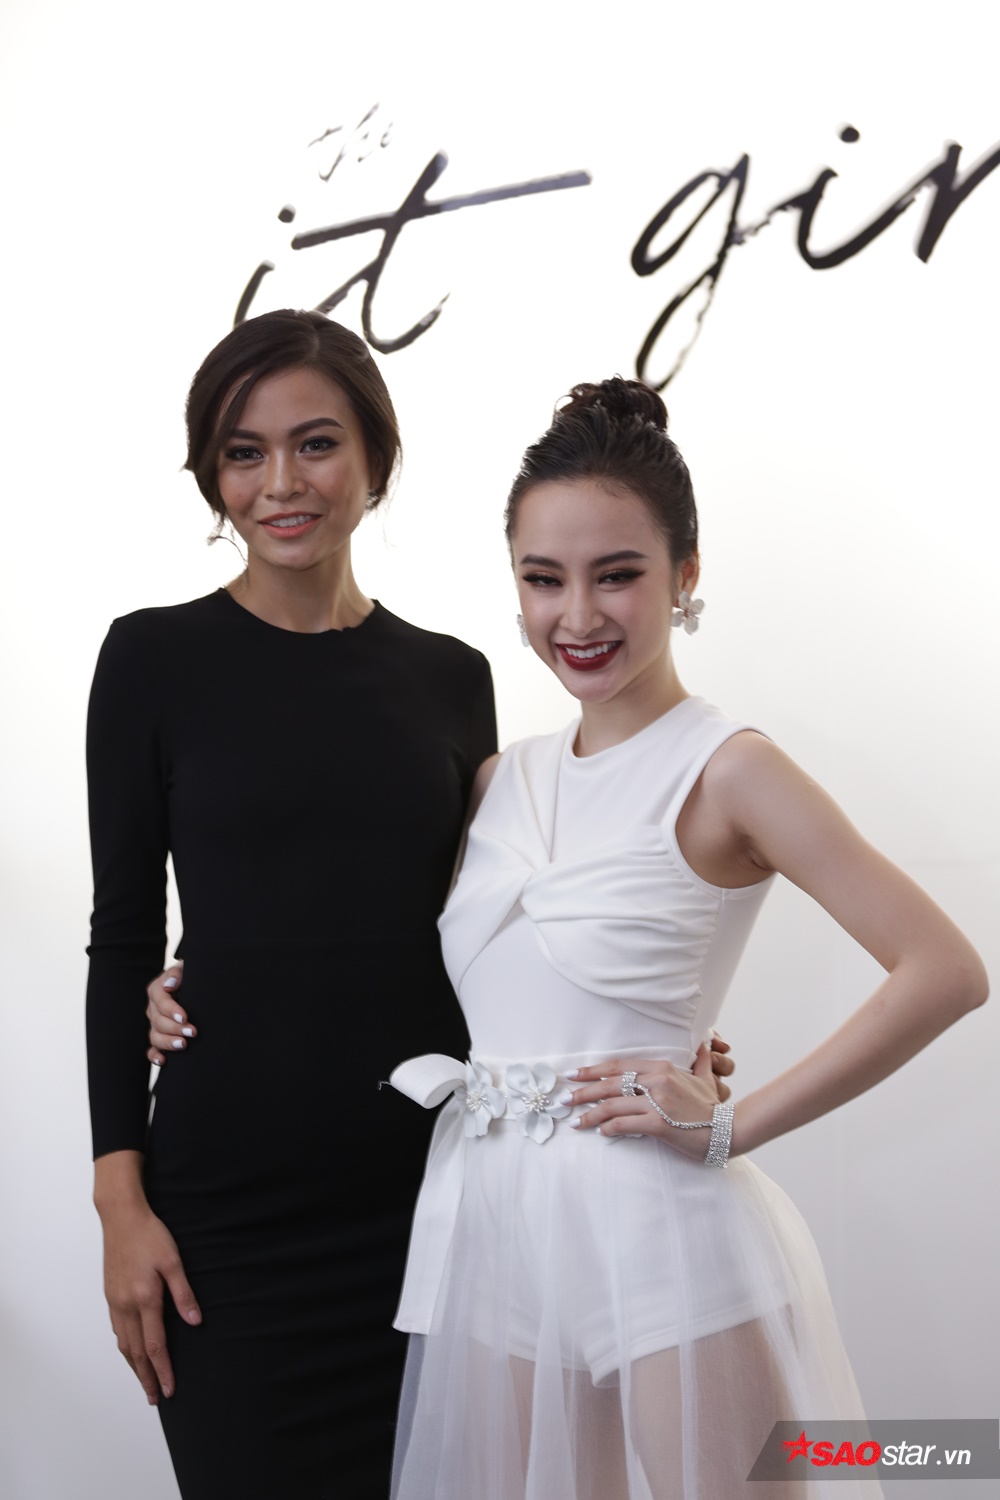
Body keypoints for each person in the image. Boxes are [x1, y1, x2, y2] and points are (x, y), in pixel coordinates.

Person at [86, 316, 733, 1500]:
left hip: (433, 1198)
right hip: (227, 1212)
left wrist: (640, 1026)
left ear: (375, 459)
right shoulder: (151, 660)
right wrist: (117, 1201)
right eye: (243, 453)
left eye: (316, 443)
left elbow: (483, 923)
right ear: (212, 475)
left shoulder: (448, 678)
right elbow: (122, 932)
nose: (281, 483)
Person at [378, 379, 988, 1499]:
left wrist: (730, 1125)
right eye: (543, 579)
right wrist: (180, 982)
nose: (577, 616)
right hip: (492, 1234)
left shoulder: (730, 768)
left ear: (686, 574)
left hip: (657, 1230)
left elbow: (945, 970)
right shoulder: (498, 780)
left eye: (617, 574)